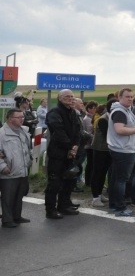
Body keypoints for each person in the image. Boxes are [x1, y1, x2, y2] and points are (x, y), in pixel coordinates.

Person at [44, 89, 85, 218]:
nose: (70, 99)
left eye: (72, 96)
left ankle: (64, 205)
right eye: (67, 96)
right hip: (58, 153)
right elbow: (59, 132)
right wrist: (70, 147)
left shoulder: (73, 112)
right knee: (55, 183)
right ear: (60, 98)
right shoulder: (54, 112)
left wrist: (75, 146)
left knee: (70, 180)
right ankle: (51, 210)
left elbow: (78, 130)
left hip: (72, 152)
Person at [107, 88, 135, 217]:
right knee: (121, 180)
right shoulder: (120, 112)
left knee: (116, 178)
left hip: (121, 148)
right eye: (127, 96)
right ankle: (120, 207)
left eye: (131, 96)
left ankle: (114, 204)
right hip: (123, 149)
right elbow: (120, 130)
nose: (130, 99)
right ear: (119, 97)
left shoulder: (125, 110)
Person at [0, 109, 33, 228]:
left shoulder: (23, 131)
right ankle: (7, 220)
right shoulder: (2, 134)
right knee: (8, 197)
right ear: (10, 119)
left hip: (22, 169)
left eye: (22, 117)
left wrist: (29, 161)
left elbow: (27, 148)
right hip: (9, 171)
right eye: (19, 117)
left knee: (19, 195)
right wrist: (2, 166)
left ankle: (17, 216)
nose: (22, 119)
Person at [90, 98, 115, 207]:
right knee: (97, 172)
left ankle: (100, 194)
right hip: (100, 149)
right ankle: (95, 197)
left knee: (103, 172)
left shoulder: (111, 118)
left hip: (107, 149)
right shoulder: (103, 119)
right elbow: (109, 135)